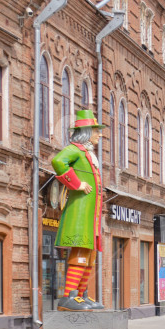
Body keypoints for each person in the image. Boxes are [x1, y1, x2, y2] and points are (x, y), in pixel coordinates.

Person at [51, 109, 106, 311]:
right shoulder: (74, 149)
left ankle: (81, 295)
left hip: (91, 215)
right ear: (86, 132)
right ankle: (69, 296)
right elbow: (58, 161)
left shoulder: (87, 153)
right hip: (80, 213)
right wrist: (76, 184)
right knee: (80, 251)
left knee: (90, 254)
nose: (99, 134)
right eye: (96, 130)